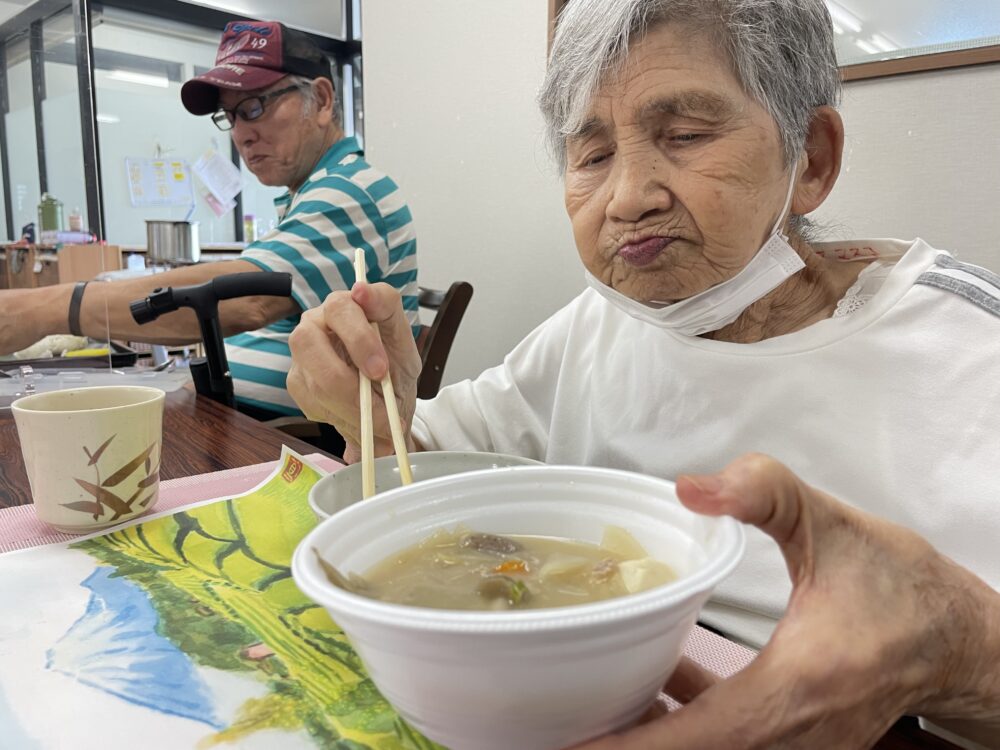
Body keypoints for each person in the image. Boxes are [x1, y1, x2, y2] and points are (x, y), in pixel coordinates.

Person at [285, 0, 1000, 747]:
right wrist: (373, 409)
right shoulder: (598, 326)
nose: (628, 198)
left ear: (812, 158)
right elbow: (432, 481)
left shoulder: (967, 353)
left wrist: (962, 653)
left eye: (684, 136)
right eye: (592, 156)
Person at [0, 20, 418, 419]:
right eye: (230, 116)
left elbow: (246, 299)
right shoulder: (307, 195)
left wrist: (45, 309)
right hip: (237, 413)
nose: (240, 135)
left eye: (254, 107)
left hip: (285, 436)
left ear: (322, 101)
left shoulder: (349, 190)